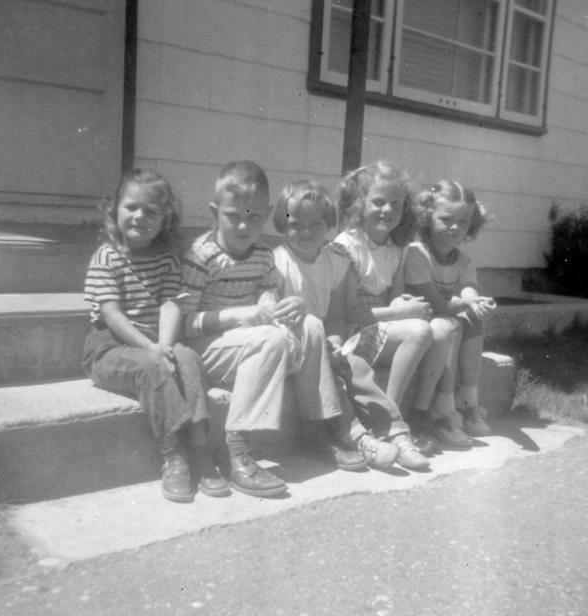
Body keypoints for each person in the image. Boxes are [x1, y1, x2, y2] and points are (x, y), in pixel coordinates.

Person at [179, 160, 367, 499]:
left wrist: (292, 307)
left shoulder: (264, 257)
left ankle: (317, 431)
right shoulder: (201, 256)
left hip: (251, 342)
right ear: (214, 212)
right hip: (208, 347)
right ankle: (238, 451)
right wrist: (234, 316)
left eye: (252, 217)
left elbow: (267, 304)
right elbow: (184, 323)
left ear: (266, 214)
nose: (242, 225)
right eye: (232, 215)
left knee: (309, 325)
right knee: (270, 337)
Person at [82, 168, 229, 503]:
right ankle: (173, 453)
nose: (139, 216)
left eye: (151, 211)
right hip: (109, 351)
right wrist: (152, 348)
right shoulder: (107, 258)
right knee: (153, 367)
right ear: (114, 210)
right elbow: (111, 314)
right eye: (131, 207)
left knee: (188, 358)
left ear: (166, 220)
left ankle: (201, 449)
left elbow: (169, 304)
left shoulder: (166, 261)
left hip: (152, 340)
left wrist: (164, 344)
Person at [272, 179, 429, 470]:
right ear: (282, 223)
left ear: (329, 225)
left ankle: (395, 432)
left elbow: (335, 316)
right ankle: (357, 438)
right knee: (333, 369)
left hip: (323, 341)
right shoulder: (277, 262)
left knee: (353, 364)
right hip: (294, 345)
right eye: (295, 224)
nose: (305, 232)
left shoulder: (334, 260)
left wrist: (334, 342)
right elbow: (276, 318)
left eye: (315, 224)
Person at [333, 161, 460, 455]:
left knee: (442, 329)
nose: (387, 210)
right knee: (418, 330)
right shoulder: (346, 247)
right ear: (358, 204)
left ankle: (418, 415)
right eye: (378, 202)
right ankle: (386, 421)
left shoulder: (397, 247)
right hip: (355, 336)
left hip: (382, 331)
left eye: (396, 204)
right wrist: (401, 313)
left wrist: (403, 305)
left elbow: (396, 298)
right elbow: (348, 313)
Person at [404, 180, 495, 446]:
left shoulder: (464, 261)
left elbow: (467, 289)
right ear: (427, 217)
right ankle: (442, 410)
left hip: (446, 318)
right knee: (450, 325)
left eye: (463, 222)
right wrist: (465, 306)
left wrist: (475, 303)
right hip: (423, 320)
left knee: (474, 322)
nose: (454, 227)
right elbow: (436, 305)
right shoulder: (416, 254)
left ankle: (467, 404)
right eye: (445, 219)